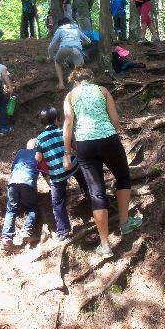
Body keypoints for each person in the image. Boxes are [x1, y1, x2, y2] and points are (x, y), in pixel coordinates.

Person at [63, 67, 143, 258]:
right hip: (108, 139)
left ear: (74, 80)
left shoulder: (70, 96)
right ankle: (124, 223)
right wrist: (114, 131)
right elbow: (115, 119)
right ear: (91, 78)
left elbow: (68, 123)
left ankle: (105, 245)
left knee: (96, 192)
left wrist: (67, 152)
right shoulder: (103, 90)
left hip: (84, 143)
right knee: (123, 177)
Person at [35, 106, 89, 241]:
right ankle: (89, 194)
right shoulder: (62, 131)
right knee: (83, 178)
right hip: (73, 166)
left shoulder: (40, 138)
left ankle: (63, 231)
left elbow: (38, 158)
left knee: (58, 201)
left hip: (57, 174)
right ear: (56, 119)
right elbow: (75, 146)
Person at [1, 138, 39, 253]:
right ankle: (27, 230)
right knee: (32, 207)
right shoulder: (38, 154)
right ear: (36, 146)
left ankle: (6, 238)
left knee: (11, 210)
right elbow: (44, 171)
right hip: (27, 182)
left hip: (13, 182)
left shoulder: (20, 152)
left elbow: (13, 168)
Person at [48, 18, 91, 90]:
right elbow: (88, 40)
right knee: (80, 69)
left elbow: (52, 45)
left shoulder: (60, 29)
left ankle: (61, 84)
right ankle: (79, 87)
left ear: (61, 24)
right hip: (76, 49)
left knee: (57, 62)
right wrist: (81, 43)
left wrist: (51, 56)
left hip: (64, 48)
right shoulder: (75, 28)